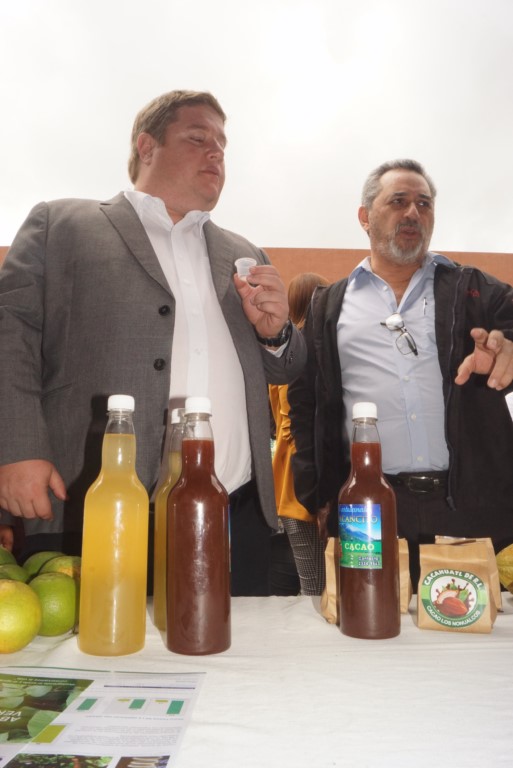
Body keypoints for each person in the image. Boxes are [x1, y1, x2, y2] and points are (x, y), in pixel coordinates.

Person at [0, 89, 306, 595]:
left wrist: (276, 334)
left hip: (236, 512)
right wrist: (16, 450)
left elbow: (286, 367)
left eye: (222, 145)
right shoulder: (61, 225)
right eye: (198, 138)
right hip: (94, 507)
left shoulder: (245, 253)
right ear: (147, 146)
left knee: (239, 647)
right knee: (98, 643)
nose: (216, 153)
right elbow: (10, 336)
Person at [288, 158, 513, 587]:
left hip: (471, 507)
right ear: (364, 217)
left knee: (471, 619)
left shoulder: (474, 291)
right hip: (366, 510)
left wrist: (509, 351)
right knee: (369, 618)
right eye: (399, 201)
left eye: (424, 204)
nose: (413, 212)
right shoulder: (327, 307)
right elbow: (305, 404)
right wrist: (317, 493)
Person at [269, 272, 329, 595]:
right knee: (318, 587)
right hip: (304, 479)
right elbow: (295, 424)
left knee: (314, 583)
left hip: (288, 480)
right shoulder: (307, 353)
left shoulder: (284, 352)